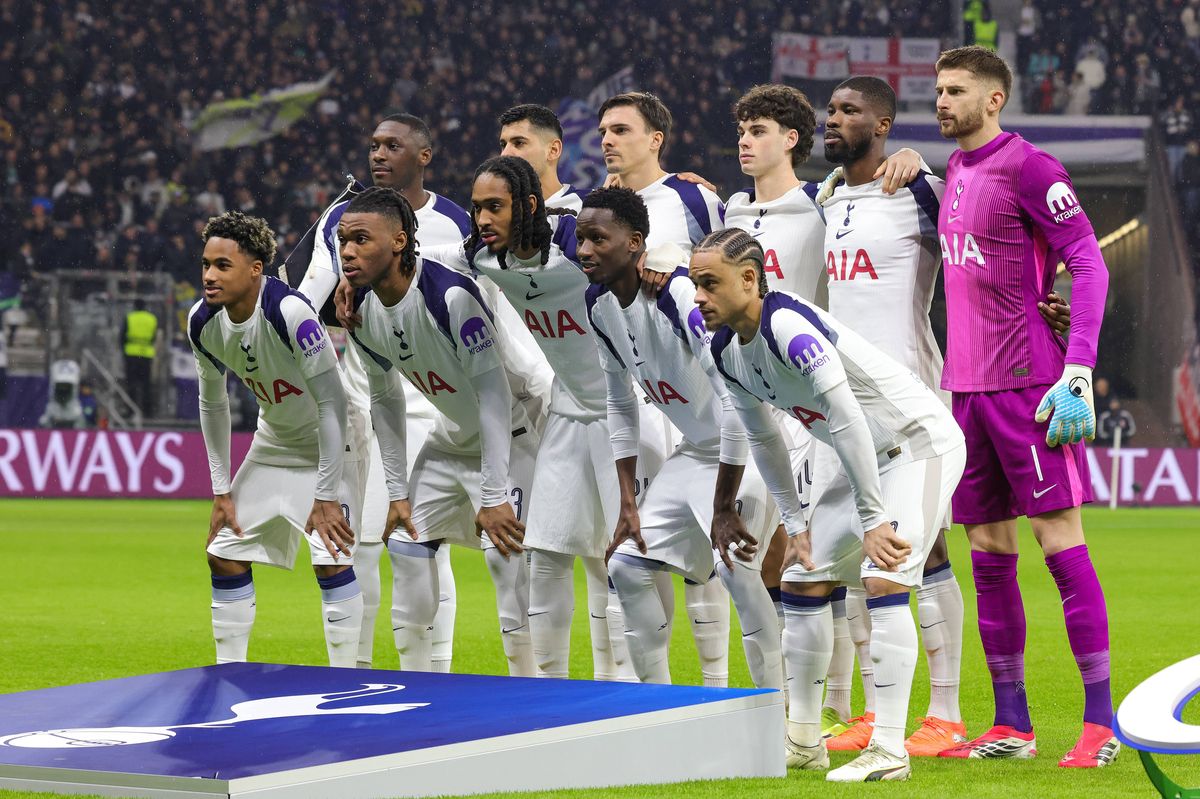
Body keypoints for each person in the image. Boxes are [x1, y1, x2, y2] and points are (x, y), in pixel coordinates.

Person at [696, 228, 965, 782]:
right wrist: (795, 525)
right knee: (803, 578)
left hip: (916, 443)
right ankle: (802, 741)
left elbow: (843, 418)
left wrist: (873, 520)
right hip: (853, 455)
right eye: (698, 283)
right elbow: (764, 440)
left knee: (885, 576)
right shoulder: (723, 350)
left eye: (709, 283)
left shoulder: (789, 327)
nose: (698, 297)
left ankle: (890, 750)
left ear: (749, 279)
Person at [414, 157, 666, 682]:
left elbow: (633, 244)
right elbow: (425, 256)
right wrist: (360, 277)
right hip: (568, 411)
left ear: (528, 207)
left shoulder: (576, 242)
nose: (480, 218)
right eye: (477, 206)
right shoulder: (483, 255)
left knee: (627, 558)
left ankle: (639, 692)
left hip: (632, 410)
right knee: (547, 551)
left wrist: (663, 258)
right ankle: (549, 695)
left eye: (494, 207)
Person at [932, 46, 1115, 767]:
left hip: (1027, 386)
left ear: (995, 97)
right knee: (988, 554)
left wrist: (1078, 369)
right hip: (966, 392)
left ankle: (1099, 726)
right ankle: (1012, 723)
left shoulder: (1032, 168)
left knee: (1060, 543)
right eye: (939, 90)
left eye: (956, 91)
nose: (943, 101)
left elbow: (1089, 262)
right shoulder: (952, 169)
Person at [579, 186, 781, 691]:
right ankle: (659, 706)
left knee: (737, 569)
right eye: (580, 238)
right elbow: (620, 402)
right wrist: (629, 502)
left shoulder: (676, 294)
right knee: (627, 564)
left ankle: (777, 719)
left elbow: (737, 400)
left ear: (635, 244)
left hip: (752, 446)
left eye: (597, 239)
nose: (583, 250)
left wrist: (723, 505)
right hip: (696, 452)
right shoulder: (598, 303)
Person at [294, 113, 473, 674]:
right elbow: (310, 298)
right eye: (372, 145)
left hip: (430, 401)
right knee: (358, 542)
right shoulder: (339, 218)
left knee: (420, 539)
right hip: (361, 395)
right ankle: (355, 676)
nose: (378, 154)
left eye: (392, 145)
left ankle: (430, 671)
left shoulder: (457, 223)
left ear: (424, 155)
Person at [819, 75, 966, 756]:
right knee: (858, 550)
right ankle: (874, 716)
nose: (833, 118)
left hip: (910, 393)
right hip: (846, 403)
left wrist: (918, 160)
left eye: (849, 111)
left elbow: (974, 253)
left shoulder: (917, 188)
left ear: (882, 125)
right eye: (830, 109)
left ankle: (946, 712)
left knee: (923, 549)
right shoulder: (826, 196)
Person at [337, 186, 539, 676]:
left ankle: (530, 689)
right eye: (344, 240)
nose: (347, 251)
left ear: (401, 241)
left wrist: (493, 496)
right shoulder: (362, 314)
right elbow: (383, 400)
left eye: (362, 239)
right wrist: (397, 492)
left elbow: (494, 397)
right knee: (405, 545)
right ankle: (419, 686)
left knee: (506, 561)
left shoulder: (449, 297)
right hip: (449, 442)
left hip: (512, 440)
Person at [598, 90, 731, 686]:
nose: (607, 140)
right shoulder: (593, 208)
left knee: (723, 557)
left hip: (709, 383)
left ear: (655, 139)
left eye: (621, 130)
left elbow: (731, 260)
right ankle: (640, 687)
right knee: (635, 550)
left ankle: (726, 687)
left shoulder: (692, 197)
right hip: (641, 381)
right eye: (603, 130)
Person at [188, 211, 359, 668]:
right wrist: (221, 490)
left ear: (255, 269)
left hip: (336, 445)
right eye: (206, 263)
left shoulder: (290, 312)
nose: (209, 275)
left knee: (332, 556)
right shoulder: (202, 322)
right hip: (275, 442)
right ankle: (230, 673)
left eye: (222, 266)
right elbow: (213, 404)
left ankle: (343, 681)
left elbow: (333, 403)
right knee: (223, 551)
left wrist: (325, 494)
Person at [498, 104, 587, 211]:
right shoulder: (496, 217)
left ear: (553, 150)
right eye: (503, 145)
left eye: (519, 143)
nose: (505, 154)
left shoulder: (586, 208)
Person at [122, 298, 158, 417]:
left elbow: (122, 336)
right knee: (146, 384)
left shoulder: (129, 317)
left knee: (131, 383)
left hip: (131, 354)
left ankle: (130, 410)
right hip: (146, 354)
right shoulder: (151, 319)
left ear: (135, 306)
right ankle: (148, 412)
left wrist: (124, 351)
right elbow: (153, 337)